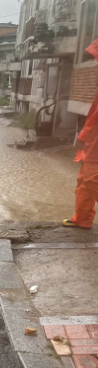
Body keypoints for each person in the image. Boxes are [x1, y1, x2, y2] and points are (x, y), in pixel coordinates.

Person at [63, 39, 98, 230]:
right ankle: (83, 218)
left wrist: (83, 136)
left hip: (94, 140)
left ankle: (83, 218)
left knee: (92, 178)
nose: (95, 63)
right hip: (94, 139)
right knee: (84, 180)